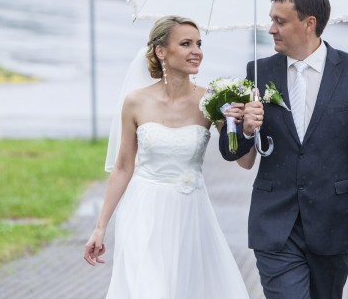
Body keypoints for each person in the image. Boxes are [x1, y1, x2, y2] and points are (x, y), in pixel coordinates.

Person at [219, 0, 348, 299]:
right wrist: (246, 129)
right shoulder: (258, 72)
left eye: (280, 21)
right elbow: (231, 149)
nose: (271, 28)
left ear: (309, 23)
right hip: (274, 224)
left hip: (335, 223)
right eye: (271, 20)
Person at [83, 15, 250, 299]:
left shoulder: (212, 101)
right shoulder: (135, 101)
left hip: (191, 213)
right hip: (142, 212)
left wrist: (244, 128)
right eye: (186, 43)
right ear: (161, 51)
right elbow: (123, 167)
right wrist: (100, 228)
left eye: (198, 43)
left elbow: (244, 162)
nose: (196, 50)